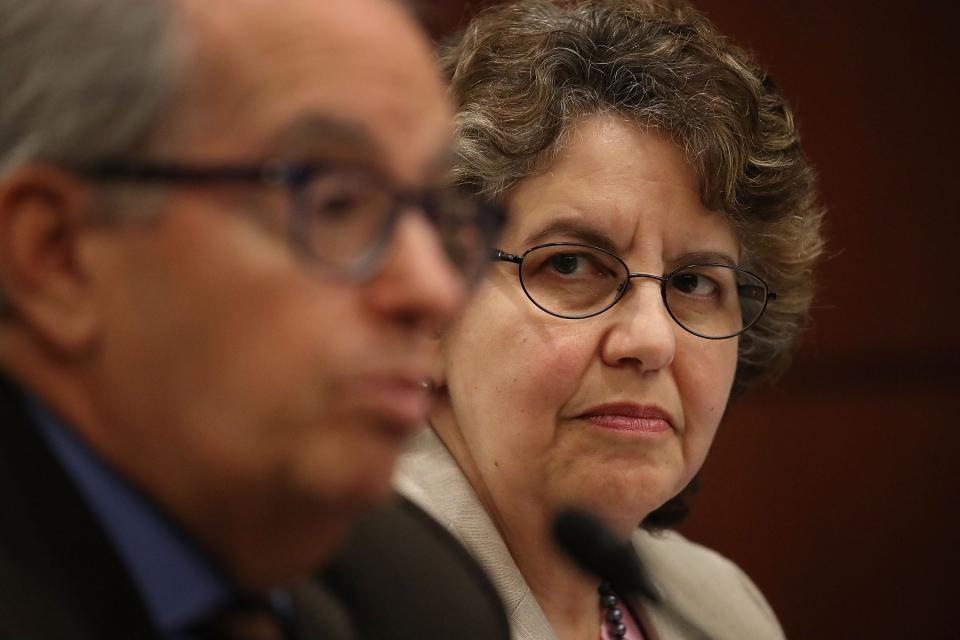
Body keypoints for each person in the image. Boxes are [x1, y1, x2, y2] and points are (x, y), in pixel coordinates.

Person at [0, 0, 509, 638]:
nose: (434, 291)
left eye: (438, 215)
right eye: (335, 203)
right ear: (59, 253)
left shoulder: (418, 597)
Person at [394, 1, 825, 639]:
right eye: (570, 265)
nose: (652, 340)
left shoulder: (721, 610)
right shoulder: (336, 598)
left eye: (692, 282)